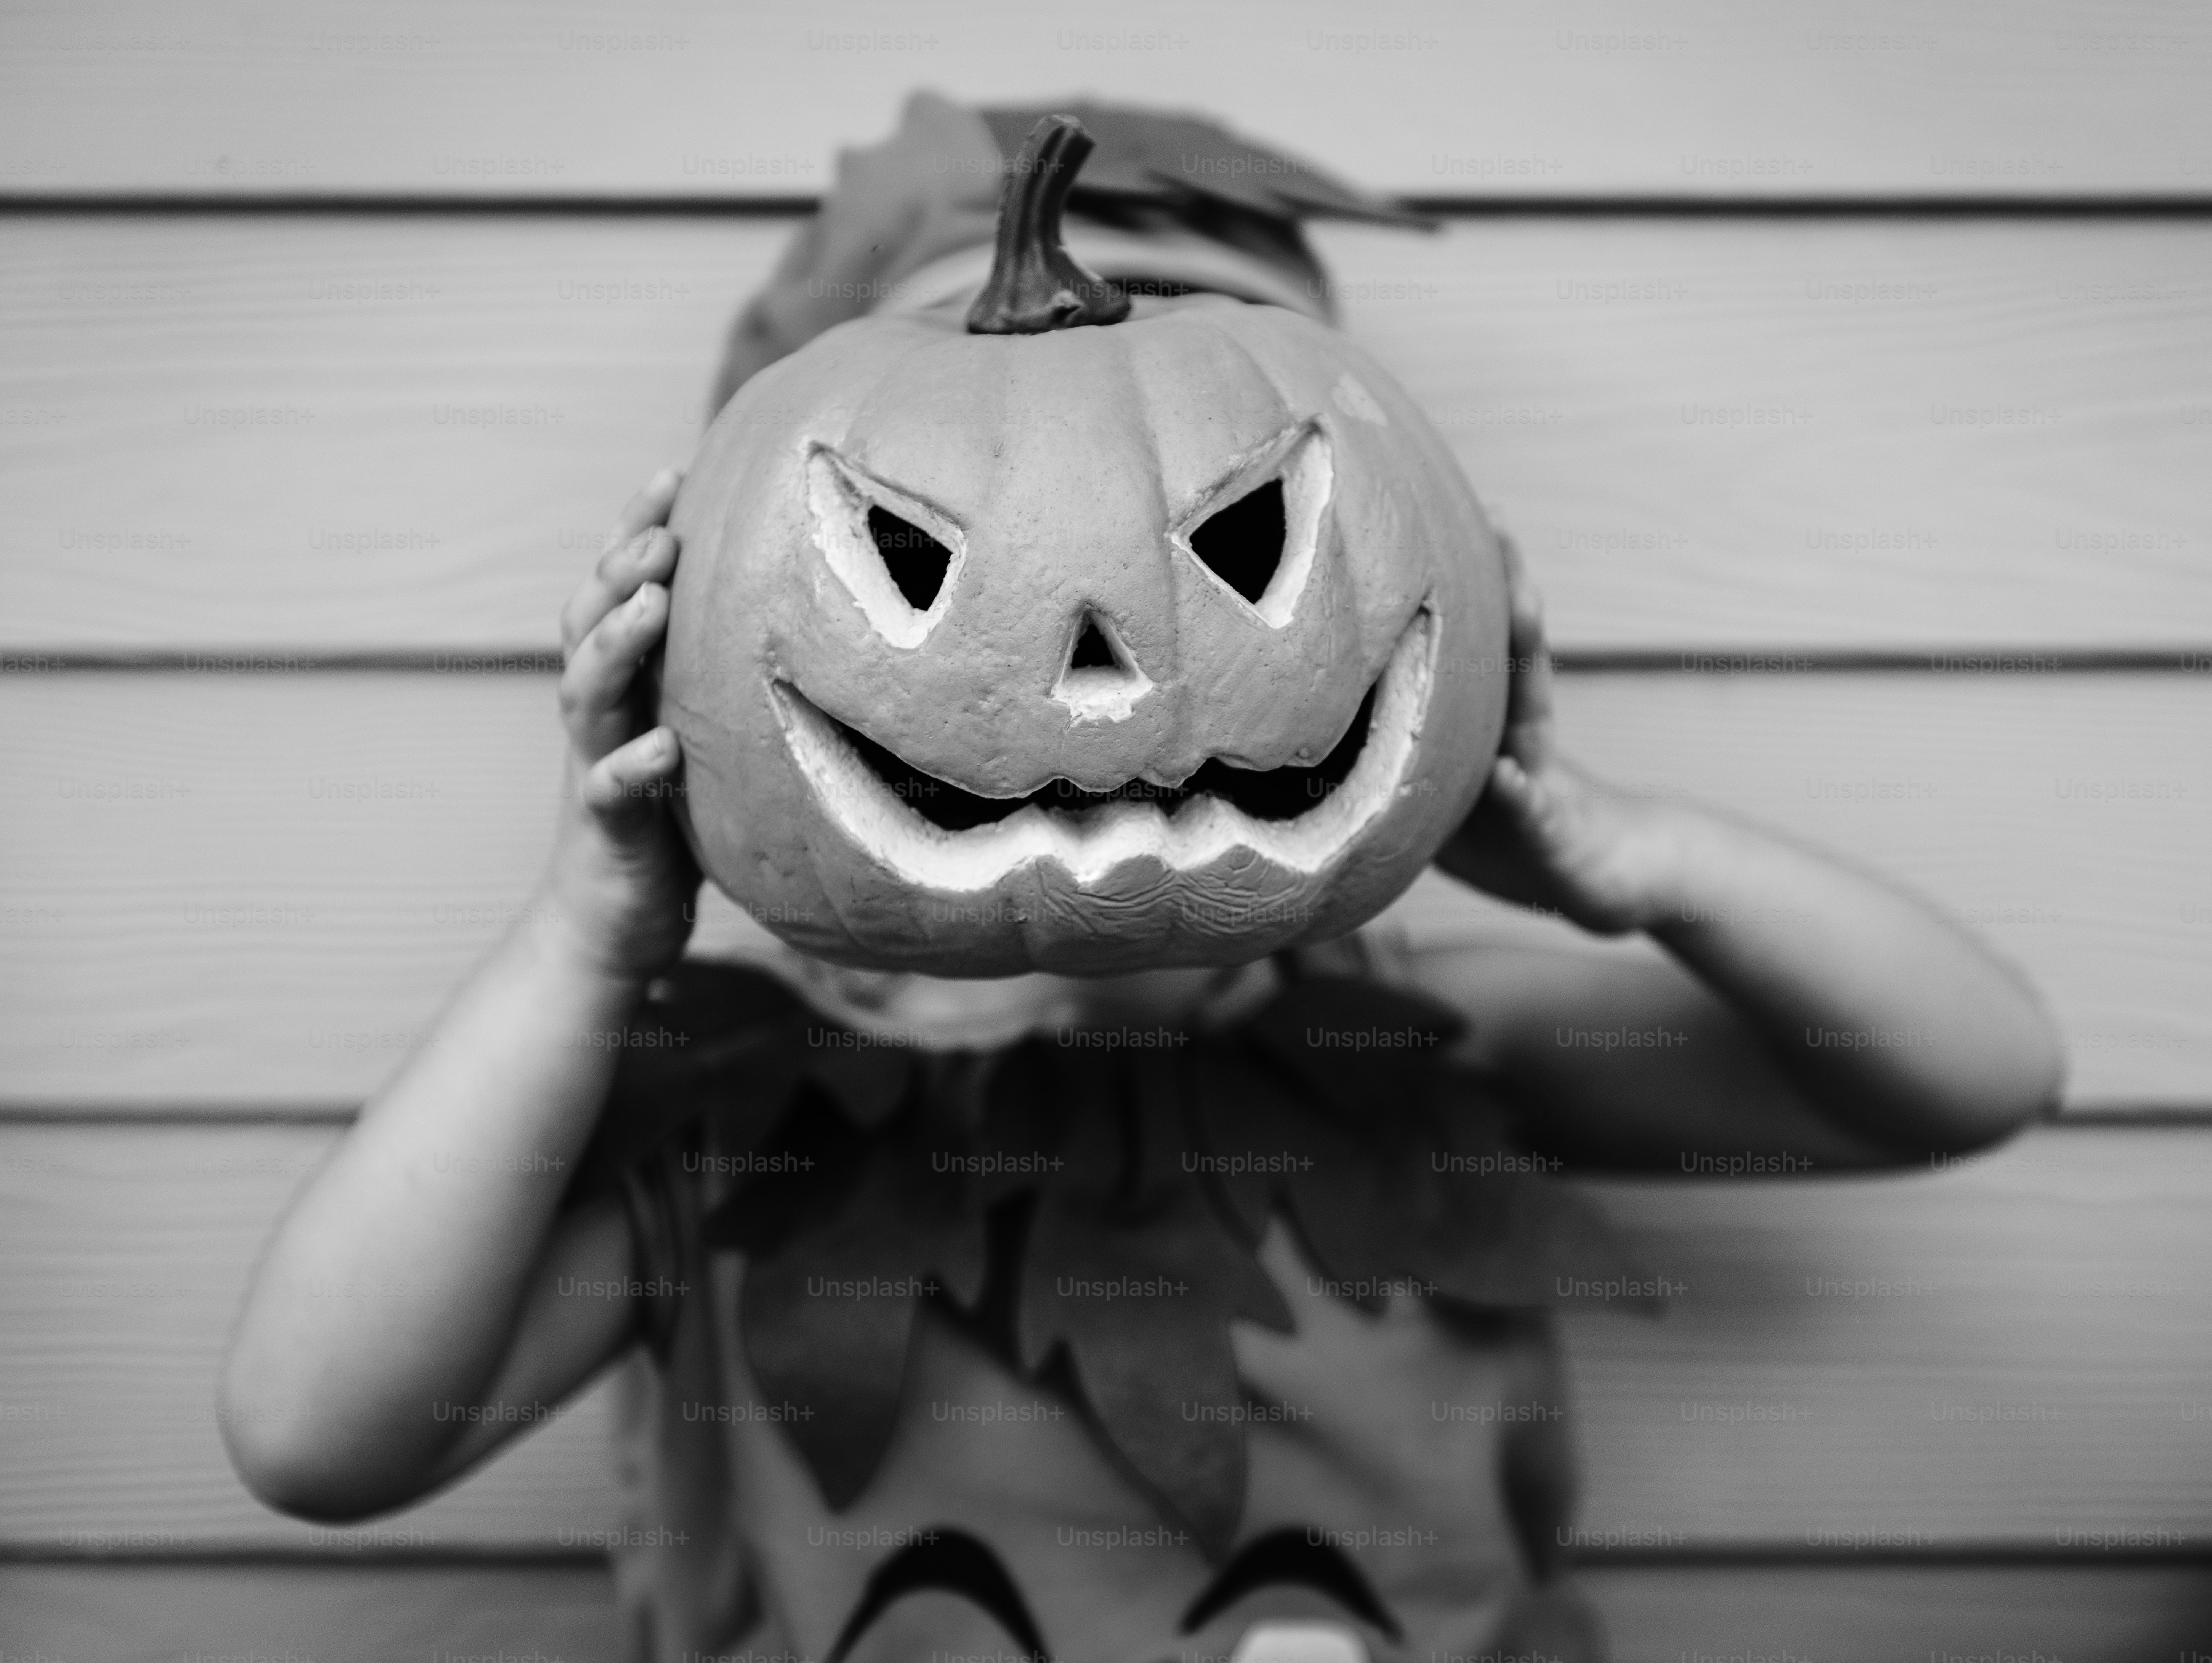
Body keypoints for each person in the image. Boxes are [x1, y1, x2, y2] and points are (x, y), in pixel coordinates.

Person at [221, 97, 2063, 1663]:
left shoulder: (1431, 1051)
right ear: (721, 605)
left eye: (1244, 530)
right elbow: (320, 1436)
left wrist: (1622, 852)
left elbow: (1979, 1073)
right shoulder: (736, 1150)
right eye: (940, 534)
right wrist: (587, 932)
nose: (1102, 653)